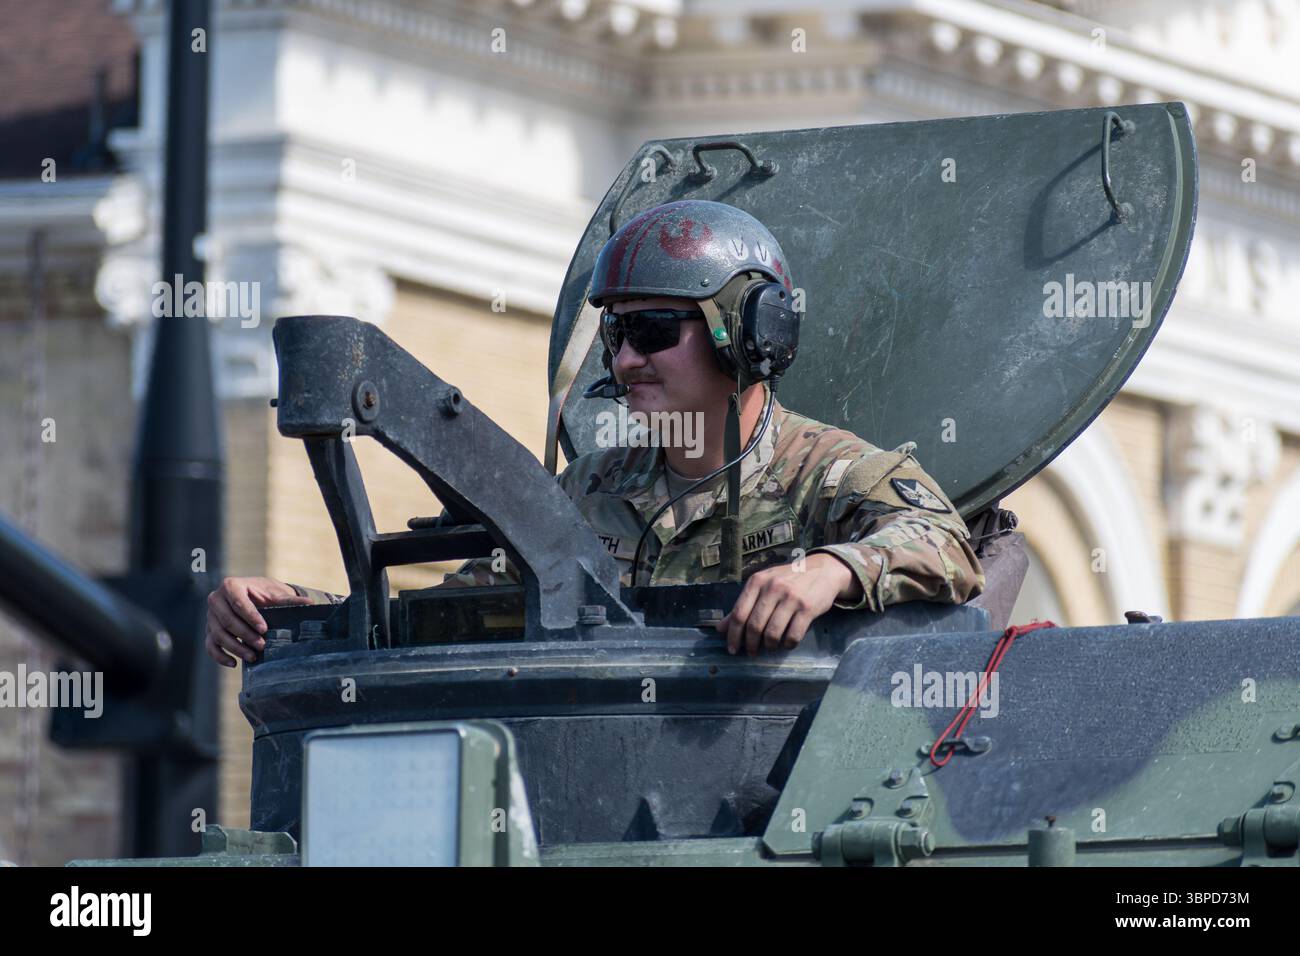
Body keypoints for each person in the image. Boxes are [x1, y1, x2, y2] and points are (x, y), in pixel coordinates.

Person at [205, 200, 983, 668]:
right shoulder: (590, 490)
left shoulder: (829, 471)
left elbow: (947, 543)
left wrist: (828, 572)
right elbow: (466, 612)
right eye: (615, 334)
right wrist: (300, 613)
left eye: (650, 330)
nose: (625, 358)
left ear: (746, 338)